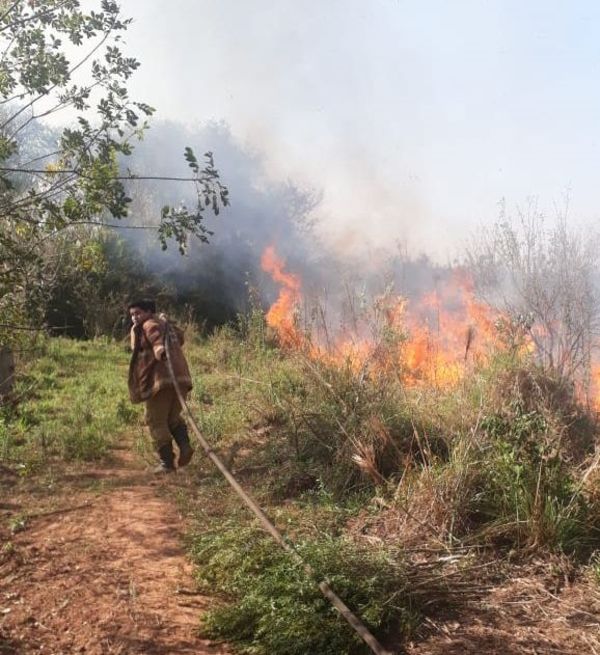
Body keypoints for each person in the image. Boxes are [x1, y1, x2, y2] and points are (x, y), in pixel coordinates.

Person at [127, 299, 194, 472]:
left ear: (149, 311)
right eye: (132, 315)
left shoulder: (149, 324)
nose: (135, 318)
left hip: (161, 381)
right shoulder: (166, 325)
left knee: (155, 420)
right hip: (181, 379)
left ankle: (167, 464)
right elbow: (180, 338)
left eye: (138, 313)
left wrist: (158, 349)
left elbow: (155, 338)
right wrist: (167, 322)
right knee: (172, 418)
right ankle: (185, 447)